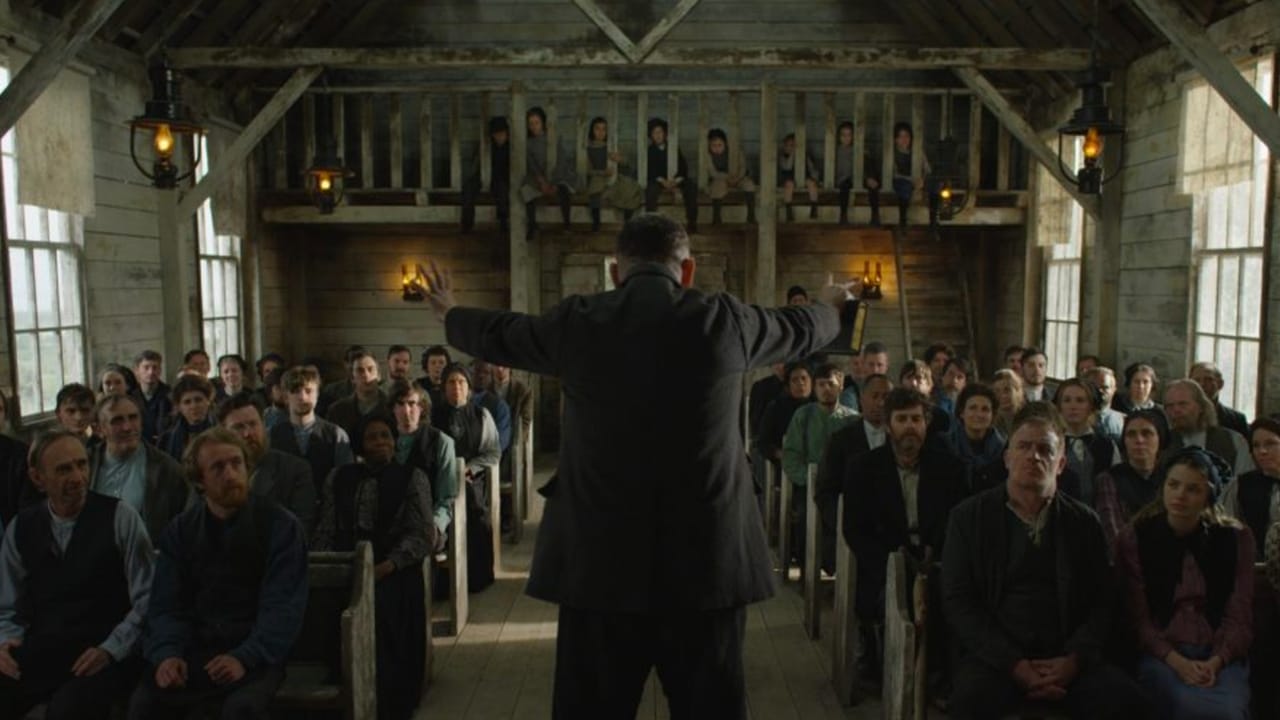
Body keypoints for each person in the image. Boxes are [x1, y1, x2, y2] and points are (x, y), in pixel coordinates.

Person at [424, 212, 841, 718]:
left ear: (616, 272)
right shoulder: (725, 321)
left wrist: (450, 311)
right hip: (705, 566)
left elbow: (507, 332)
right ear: (687, 271)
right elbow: (801, 327)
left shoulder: (581, 321)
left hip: (600, 566)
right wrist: (829, 304)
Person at [942, 404, 1151, 720]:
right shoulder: (969, 518)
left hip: (1067, 657)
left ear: (1061, 463)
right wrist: (1015, 665)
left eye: (1045, 450)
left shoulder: (1084, 523)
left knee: (1126, 701)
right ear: (1007, 457)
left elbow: (1102, 601)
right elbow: (959, 602)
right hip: (996, 659)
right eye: (1024, 447)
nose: (1034, 456)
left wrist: (1073, 661)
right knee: (970, 702)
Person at [129, 429, 308, 720]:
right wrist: (168, 653)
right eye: (218, 468)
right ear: (199, 481)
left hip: (255, 653)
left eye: (237, 463)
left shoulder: (280, 526)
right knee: (145, 705)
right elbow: (167, 605)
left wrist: (245, 656)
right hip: (195, 649)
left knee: (240, 710)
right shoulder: (181, 531)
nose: (231, 474)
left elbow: (282, 607)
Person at [0, 430, 153, 720]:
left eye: (82, 465)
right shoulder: (22, 527)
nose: (78, 477)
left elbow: (146, 599)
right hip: (46, 645)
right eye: (63, 470)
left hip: (104, 648)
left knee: (68, 710)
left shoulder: (120, 518)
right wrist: (5, 643)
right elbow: (7, 605)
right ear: (37, 478)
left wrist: (111, 649)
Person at [1116, 448, 1253, 720]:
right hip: (1164, 655)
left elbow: (1240, 614)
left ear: (1207, 496)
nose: (1180, 495)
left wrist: (1216, 661)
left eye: (1193, 489)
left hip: (1219, 654)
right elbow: (1138, 620)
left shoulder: (1236, 539)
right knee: (1185, 705)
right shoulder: (1136, 538)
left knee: (1228, 712)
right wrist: (1178, 662)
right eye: (1173, 485)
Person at [314, 413, 434, 720]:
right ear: (360, 445)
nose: (380, 442)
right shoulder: (339, 477)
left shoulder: (412, 477)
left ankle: (387, 697)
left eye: (385, 436)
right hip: (347, 564)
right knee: (324, 603)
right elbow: (327, 528)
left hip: (392, 568)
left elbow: (421, 534)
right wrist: (326, 566)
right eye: (372, 437)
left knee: (384, 607)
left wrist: (387, 566)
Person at [842, 387, 966, 681]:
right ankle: (892, 671)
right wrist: (892, 560)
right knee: (895, 599)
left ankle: (940, 676)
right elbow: (855, 530)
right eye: (902, 419)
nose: (910, 426)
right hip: (886, 561)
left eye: (916, 419)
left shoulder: (949, 468)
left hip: (937, 558)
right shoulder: (863, 468)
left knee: (954, 601)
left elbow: (958, 522)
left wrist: (935, 550)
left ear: (926, 424)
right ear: (888, 425)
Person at [431, 364, 500, 593]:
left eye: (461, 382)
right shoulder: (432, 415)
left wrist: (470, 468)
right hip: (439, 478)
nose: (456, 387)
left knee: (475, 510)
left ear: (469, 388)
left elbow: (492, 452)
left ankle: (476, 577)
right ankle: (442, 583)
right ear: (444, 387)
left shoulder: (481, 415)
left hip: (470, 478)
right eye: (451, 382)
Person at [781, 363, 856, 566]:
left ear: (840, 386)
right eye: (821, 384)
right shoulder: (803, 416)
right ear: (814, 388)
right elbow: (791, 455)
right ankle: (806, 565)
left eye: (831, 384)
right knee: (805, 516)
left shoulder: (852, 419)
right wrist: (808, 479)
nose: (826, 389)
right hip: (809, 484)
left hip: (842, 487)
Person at [816, 373, 891, 573]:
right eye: (875, 396)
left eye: (886, 397)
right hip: (853, 524)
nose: (880, 403)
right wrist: (845, 523)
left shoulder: (898, 438)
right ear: (862, 400)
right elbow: (825, 492)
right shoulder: (841, 440)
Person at [89, 395, 190, 542]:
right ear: (99, 429)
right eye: (117, 421)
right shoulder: (85, 464)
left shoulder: (166, 469)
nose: (127, 427)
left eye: (133, 418)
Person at [218, 394, 317, 536]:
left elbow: (300, 529)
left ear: (263, 425)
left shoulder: (294, 470)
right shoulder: (213, 472)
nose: (248, 433)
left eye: (253, 424)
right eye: (238, 427)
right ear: (224, 433)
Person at [389, 381, 458, 548]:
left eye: (412, 404)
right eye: (400, 404)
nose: (406, 411)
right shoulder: (385, 439)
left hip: (425, 521)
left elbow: (446, 498)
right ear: (393, 408)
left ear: (421, 407)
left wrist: (434, 525)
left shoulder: (440, 442)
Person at [1094, 410, 1172, 551]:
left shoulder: (1171, 477)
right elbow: (1112, 534)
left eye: (1146, 433)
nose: (1139, 440)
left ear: (1160, 439)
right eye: (1131, 434)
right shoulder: (1109, 479)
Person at [269, 366, 354, 495]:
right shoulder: (272, 436)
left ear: (317, 395)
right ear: (286, 397)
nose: (302, 397)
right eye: (296, 391)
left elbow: (346, 479)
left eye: (308, 391)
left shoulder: (336, 435)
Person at [1053, 379, 1122, 507]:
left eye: (1080, 401)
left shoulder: (1107, 445)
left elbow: (1117, 484)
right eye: (1067, 400)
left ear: (1091, 406)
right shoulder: (1052, 443)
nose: (1073, 406)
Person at [1163, 379, 1253, 476]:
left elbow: (1245, 479)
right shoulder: (1162, 443)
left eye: (1183, 404)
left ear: (1201, 406)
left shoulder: (1233, 440)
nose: (1176, 410)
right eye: (1170, 406)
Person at [520, 106, 577, 237]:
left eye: (537, 123)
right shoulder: (528, 143)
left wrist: (553, 183)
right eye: (531, 123)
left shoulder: (554, 139)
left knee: (564, 191)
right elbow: (532, 164)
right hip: (539, 178)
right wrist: (542, 181)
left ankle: (567, 224)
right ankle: (532, 225)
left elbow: (561, 161)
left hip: (558, 176)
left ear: (543, 123)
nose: (534, 127)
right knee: (526, 190)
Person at [583, 116, 642, 231]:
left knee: (632, 190)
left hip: (614, 180)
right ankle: (596, 222)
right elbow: (588, 170)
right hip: (598, 179)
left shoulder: (611, 146)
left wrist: (620, 159)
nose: (601, 132)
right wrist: (602, 172)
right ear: (592, 131)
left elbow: (628, 164)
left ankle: (627, 222)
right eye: (597, 129)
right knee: (595, 194)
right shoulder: (589, 148)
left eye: (604, 129)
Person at [644, 118, 699, 233]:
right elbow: (650, 170)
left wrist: (676, 180)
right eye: (654, 133)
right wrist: (662, 181)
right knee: (650, 190)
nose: (658, 135)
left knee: (691, 186)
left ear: (665, 133)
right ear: (651, 136)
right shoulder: (650, 150)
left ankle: (692, 221)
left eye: (660, 132)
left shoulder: (673, 148)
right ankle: (651, 223)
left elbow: (683, 167)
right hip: (659, 181)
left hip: (674, 180)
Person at [949, 383, 1005, 489]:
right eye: (972, 408)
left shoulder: (1003, 451)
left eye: (985, 409)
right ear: (962, 413)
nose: (979, 414)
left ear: (992, 415)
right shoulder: (945, 446)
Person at [462, 116, 511, 233]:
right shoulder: (487, 146)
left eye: (502, 133)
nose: (499, 137)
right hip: (484, 175)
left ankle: (503, 222)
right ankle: (467, 224)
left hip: (501, 178)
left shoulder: (510, 147)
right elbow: (476, 165)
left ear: (507, 133)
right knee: (468, 187)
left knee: (502, 188)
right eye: (496, 134)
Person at [326, 349, 389, 438]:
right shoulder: (337, 411)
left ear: (378, 375)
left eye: (370, 369)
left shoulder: (391, 407)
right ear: (352, 378)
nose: (366, 375)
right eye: (360, 370)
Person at [704, 128, 757, 225]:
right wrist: (727, 177)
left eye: (720, 145)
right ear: (709, 145)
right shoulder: (708, 155)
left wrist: (738, 178)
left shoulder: (735, 151)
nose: (717, 148)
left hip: (738, 177)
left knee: (749, 185)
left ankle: (751, 216)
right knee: (717, 187)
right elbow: (712, 172)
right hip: (721, 179)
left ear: (725, 144)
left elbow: (742, 167)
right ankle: (717, 218)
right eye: (713, 146)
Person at [1189, 361, 1250, 438]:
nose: (1202, 384)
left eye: (1208, 380)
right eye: (1197, 380)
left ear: (1220, 384)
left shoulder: (1237, 420)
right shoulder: (1180, 416)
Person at [131, 351, 171, 446]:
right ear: (137, 371)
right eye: (146, 367)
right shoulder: (130, 398)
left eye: (155, 367)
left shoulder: (170, 395)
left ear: (160, 370)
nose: (151, 372)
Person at [778, 132, 819, 221]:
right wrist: (793, 155)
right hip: (788, 177)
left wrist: (815, 178)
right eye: (788, 145)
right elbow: (787, 167)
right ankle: (788, 209)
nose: (790, 148)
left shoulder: (805, 156)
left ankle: (814, 206)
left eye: (793, 146)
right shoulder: (783, 156)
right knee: (789, 185)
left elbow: (811, 168)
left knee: (811, 183)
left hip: (803, 177)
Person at [1084, 366, 1126, 440]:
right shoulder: (1072, 419)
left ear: (1114, 390)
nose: (1099, 391)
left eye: (1105, 387)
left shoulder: (1124, 421)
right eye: (1094, 387)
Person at [991, 368, 1025, 439]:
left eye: (1007, 390)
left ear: (1018, 391)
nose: (1003, 396)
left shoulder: (1028, 417)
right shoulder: (990, 421)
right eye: (997, 391)